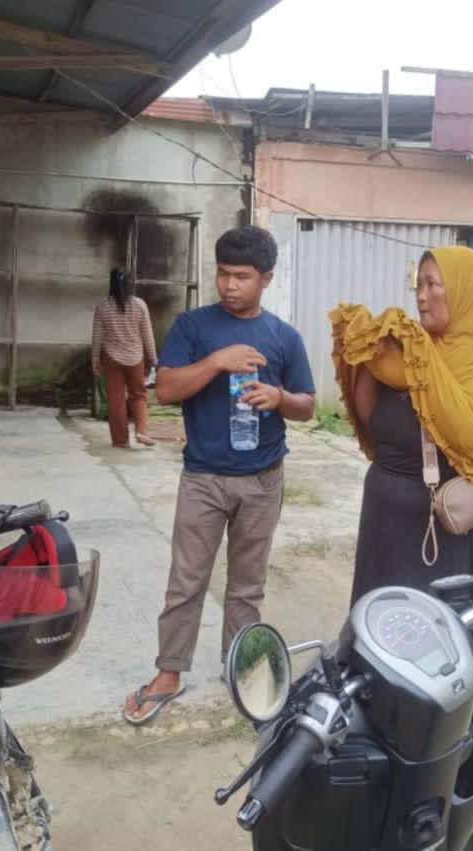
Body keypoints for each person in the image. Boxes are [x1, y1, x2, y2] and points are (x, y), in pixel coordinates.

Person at [329, 245, 473, 761]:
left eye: (436, 284)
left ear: (465, 291)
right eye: (420, 284)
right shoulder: (404, 353)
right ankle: (383, 736)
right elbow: (368, 415)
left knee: (450, 637)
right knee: (382, 631)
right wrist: (366, 352)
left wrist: (420, 368)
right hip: (387, 521)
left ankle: (457, 749)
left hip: (449, 525)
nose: (423, 294)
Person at [123, 226, 316, 725]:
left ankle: (240, 666)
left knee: (247, 585)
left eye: (242, 276)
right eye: (223, 274)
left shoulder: (284, 337)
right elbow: (166, 389)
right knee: (186, 581)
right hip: (203, 477)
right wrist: (217, 361)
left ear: (267, 278)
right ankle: (169, 672)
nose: (230, 285)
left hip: (262, 478)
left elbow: (308, 404)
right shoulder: (194, 327)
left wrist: (279, 398)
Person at [91, 267, 157, 448]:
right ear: (130, 284)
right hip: (135, 358)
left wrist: (95, 359)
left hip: (111, 358)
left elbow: (97, 336)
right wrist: (154, 359)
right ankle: (141, 431)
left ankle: (120, 440)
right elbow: (147, 335)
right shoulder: (140, 305)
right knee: (138, 395)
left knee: (116, 400)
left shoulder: (103, 306)